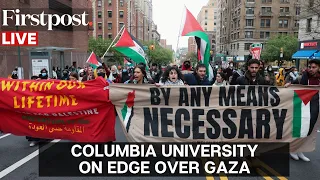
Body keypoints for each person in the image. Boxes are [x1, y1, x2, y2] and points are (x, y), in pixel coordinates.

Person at [285, 60, 319, 161]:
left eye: (314, 67)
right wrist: (289, 85)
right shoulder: (304, 76)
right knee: (300, 128)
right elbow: (295, 84)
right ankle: (293, 149)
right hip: (303, 104)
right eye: (310, 67)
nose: (311, 69)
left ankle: (300, 151)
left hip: (315, 105)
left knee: (309, 129)